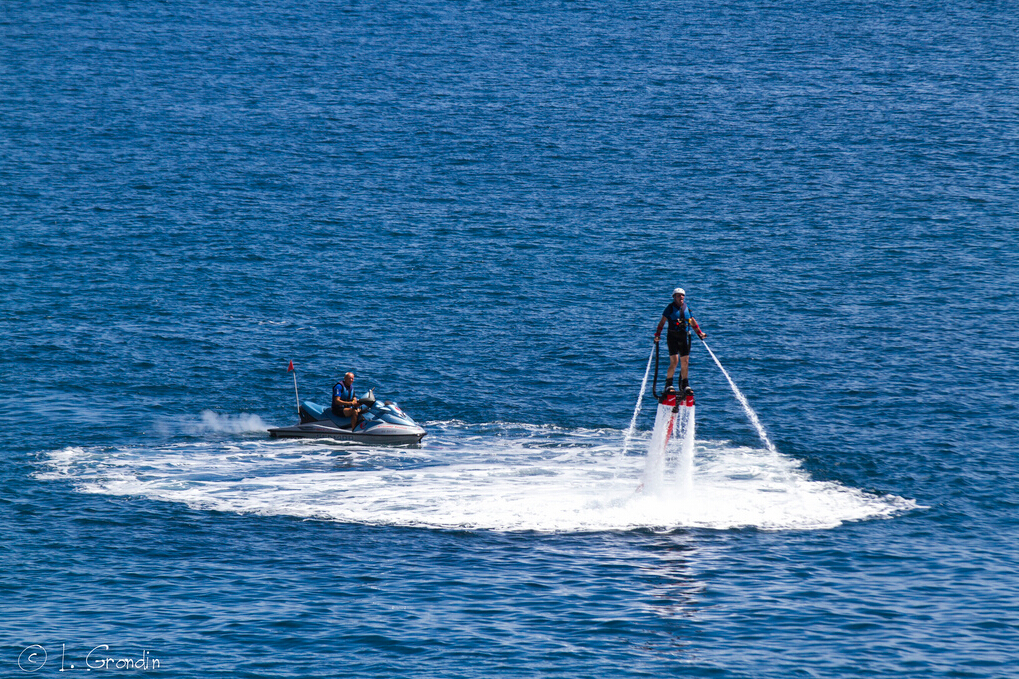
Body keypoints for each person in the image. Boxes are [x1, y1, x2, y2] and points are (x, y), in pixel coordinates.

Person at [653, 288, 707, 393]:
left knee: (685, 362)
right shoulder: (669, 308)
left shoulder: (687, 308)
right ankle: (669, 385)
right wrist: (657, 335)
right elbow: (662, 323)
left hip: (683, 337)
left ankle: (685, 385)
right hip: (672, 337)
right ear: (674, 297)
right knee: (675, 361)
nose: (681, 297)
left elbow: (692, 322)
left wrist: (699, 333)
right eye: (678, 295)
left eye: (682, 295)